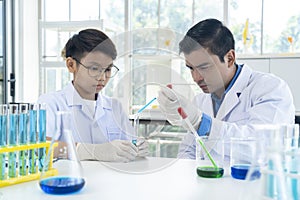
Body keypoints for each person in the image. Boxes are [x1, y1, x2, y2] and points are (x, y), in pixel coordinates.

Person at [157, 18, 295, 159]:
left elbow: (262, 146)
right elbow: (188, 150)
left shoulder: (271, 88)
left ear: (229, 58)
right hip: (206, 181)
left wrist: (203, 124)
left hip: (255, 181)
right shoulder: (201, 100)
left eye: (204, 67)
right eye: (191, 68)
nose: (196, 77)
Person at [38, 29, 149, 162]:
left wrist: (137, 148)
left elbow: (129, 143)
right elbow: (39, 146)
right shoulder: (50, 103)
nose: (102, 77)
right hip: (70, 179)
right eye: (94, 68)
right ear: (71, 65)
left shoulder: (115, 107)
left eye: (108, 69)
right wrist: (90, 151)